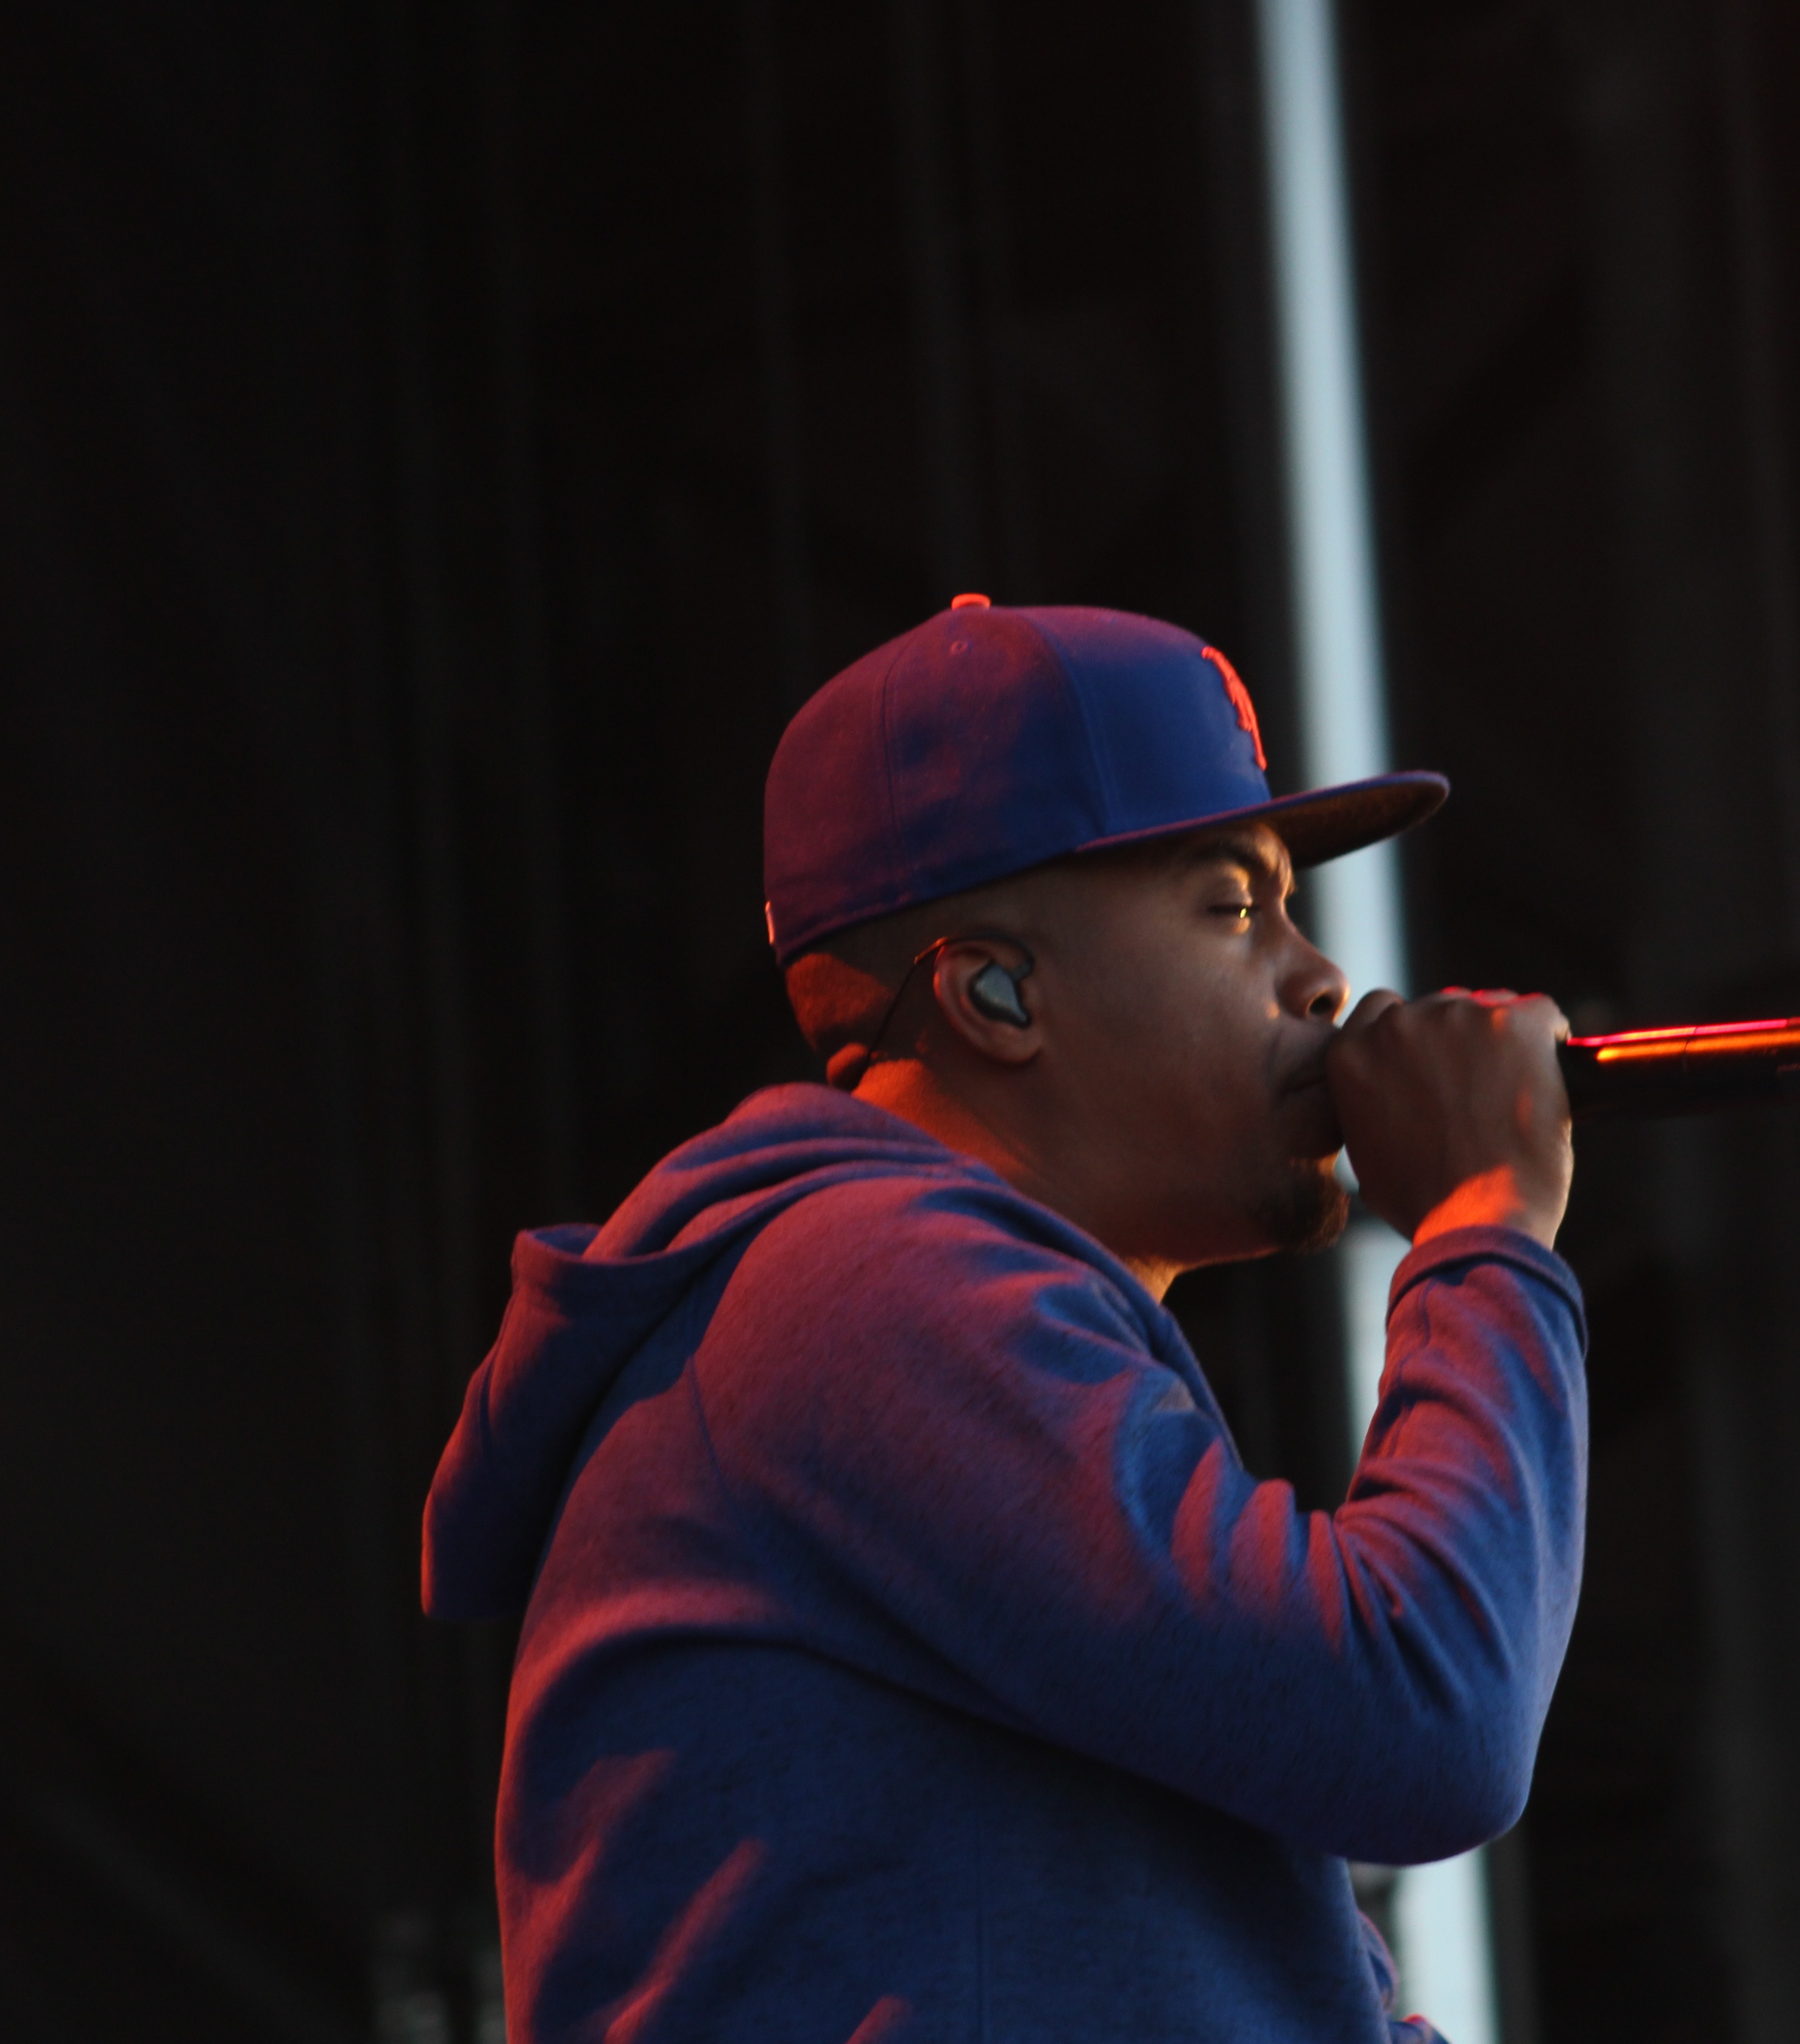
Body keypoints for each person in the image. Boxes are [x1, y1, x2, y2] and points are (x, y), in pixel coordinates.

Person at [422, 600, 1587, 2042]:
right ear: (994, 991)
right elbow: (1425, 1714)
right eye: (1234, 908)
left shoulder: (935, 1318)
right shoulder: (862, 1288)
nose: (1320, 977)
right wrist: (1484, 1226)